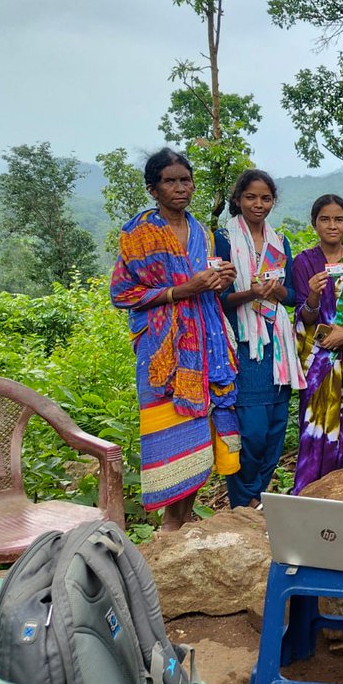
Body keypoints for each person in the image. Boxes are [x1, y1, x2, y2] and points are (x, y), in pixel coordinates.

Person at [110, 148, 240, 531]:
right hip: (163, 357)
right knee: (171, 438)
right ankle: (170, 527)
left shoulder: (202, 233)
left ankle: (184, 523)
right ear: (153, 189)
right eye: (170, 181)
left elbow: (205, 288)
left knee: (199, 440)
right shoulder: (139, 234)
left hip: (203, 350)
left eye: (186, 180)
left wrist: (220, 281)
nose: (180, 188)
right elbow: (122, 294)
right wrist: (182, 290)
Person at [214, 169, 305, 510]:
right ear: (238, 199)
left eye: (266, 198)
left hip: (276, 346)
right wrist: (250, 293)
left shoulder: (280, 242)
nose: (258, 204)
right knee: (249, 432)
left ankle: (258, 498)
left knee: (274, 430)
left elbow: (292, 295)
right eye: (251, 197)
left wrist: (275, 290)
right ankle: (243, 502)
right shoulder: (222, 239)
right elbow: (217, 299)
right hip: (241, 345)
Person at [291, 194, 343, 491]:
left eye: (338, 219)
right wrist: (313, 294)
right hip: (317, 358)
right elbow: (306, 316)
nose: (332, 225)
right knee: (313, 424)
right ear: (314, 224)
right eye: (325, 219)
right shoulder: (304, 262)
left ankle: (340, 491)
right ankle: (308, 490)